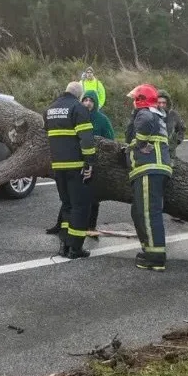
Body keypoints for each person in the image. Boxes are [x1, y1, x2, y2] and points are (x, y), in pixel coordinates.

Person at [45, 89, 113, 235]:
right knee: (70, 198)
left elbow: (110, 140)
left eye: (91, 101)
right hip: (76, 161)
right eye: (85, 100)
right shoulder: (75, 113)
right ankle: (61, 225)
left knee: (92, 197)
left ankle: (90, 226)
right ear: (81, 101)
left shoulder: (102, 119)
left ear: (95, 103)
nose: (88, 103)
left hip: (94, 162)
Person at [44, 81, 97, 258]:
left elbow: (48, 137)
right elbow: (87, 140)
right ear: (80, 96)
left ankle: (64, 245)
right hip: (75, 166)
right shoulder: (78, 109)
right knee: (80, 207)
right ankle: (75, 248)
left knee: (67, 205)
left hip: (58, 166)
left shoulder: (49, 110)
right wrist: (90, 162)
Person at [124, 84, 172, 271]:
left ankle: (155, 257)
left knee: (148, 213)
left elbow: (140, 130)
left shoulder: (145, 113)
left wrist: (140, 142)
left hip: (149, 169)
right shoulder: (156, 115)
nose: (133, 104)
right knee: (140, 212)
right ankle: (149, 249)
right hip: (150, 169)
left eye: (135, 100)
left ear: (140, 100)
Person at [157, 89, 186, 161]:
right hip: (154, 152)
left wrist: (176, 142)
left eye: (164, 103)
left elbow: (181, 129)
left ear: (168, 103)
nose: (161, 105)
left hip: (170, 153)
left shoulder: (173, 115)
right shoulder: (151, 114)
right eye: (159, 102)